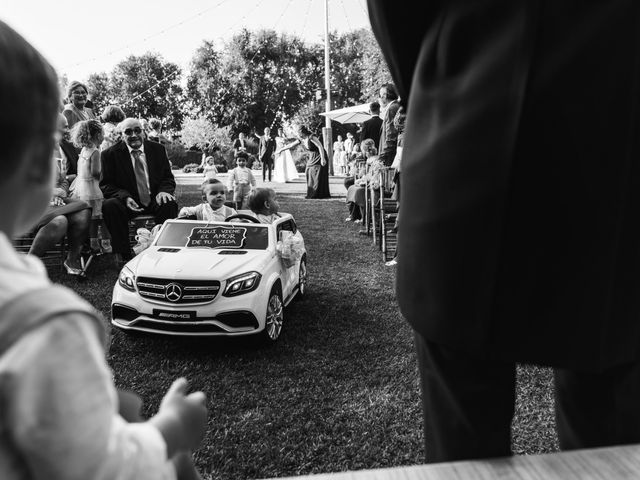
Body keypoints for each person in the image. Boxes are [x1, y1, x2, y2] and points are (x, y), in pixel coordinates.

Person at [368, 0, 640, 464]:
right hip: (614, 133)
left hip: (466, 120)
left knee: (464, 442)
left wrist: (444, 79)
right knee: (607, 440)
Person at [0, 19, 207, 479]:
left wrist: (162, 194)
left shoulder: (155, 151)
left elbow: (167, 179)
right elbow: (100, 466)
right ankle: (123, 254)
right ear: (38, 164)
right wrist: (170, 431)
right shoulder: (43, 323)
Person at [100, 117, 178, 263]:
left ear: (143, 132)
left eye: (137, 130)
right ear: (121, 135)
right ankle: (123, 254)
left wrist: (164, 191)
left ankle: (165, 250)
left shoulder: (158, 149)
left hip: (154, 198)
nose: (134, 135)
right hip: (129, 201)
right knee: (110, 205)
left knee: (169, 203)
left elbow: (168, 178)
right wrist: (125, 197)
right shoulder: (109, 155)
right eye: (128, 132)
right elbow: (106, 185)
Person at [69, 119, 104, 252]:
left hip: (81, 186)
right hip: (92, 187)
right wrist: (104, 174)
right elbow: (95, 172)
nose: (104, 136)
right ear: (98, 135)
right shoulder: (95, 152)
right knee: (95, 217)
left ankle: (87, 241)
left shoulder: (84, 150)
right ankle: (94, 242)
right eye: (103, 133)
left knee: (88, 216)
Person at [277, 125, 330, 199]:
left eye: (298, 133)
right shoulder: (301, 139)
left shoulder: (311, 137)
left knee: (316, 173)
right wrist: (281, 150)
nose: (298, 135)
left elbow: (320, 146)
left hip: (319, 155)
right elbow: (291, 145)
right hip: (312, 156)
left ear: (302, 132)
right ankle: (312, 192)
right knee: (308, 171)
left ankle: (318, 194)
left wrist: (323, 158)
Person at [345, 139, 381, 223]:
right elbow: (368, 174)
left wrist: (364, 180)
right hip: (368, 182)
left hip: (374, 186)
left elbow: (375, 177)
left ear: (365, 151)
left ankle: (364, 218)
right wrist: (362, 179)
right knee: (352, 188)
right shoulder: (369, 160)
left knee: (358, 191)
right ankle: (354, 214)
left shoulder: (375, 161)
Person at [377, 83, 400, 167]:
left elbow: (391, 136)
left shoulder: (392, 108)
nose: (380, 97)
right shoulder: (396, 106)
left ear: (385, 96)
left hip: (390, 158)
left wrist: (382, 157)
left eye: (381, 95)